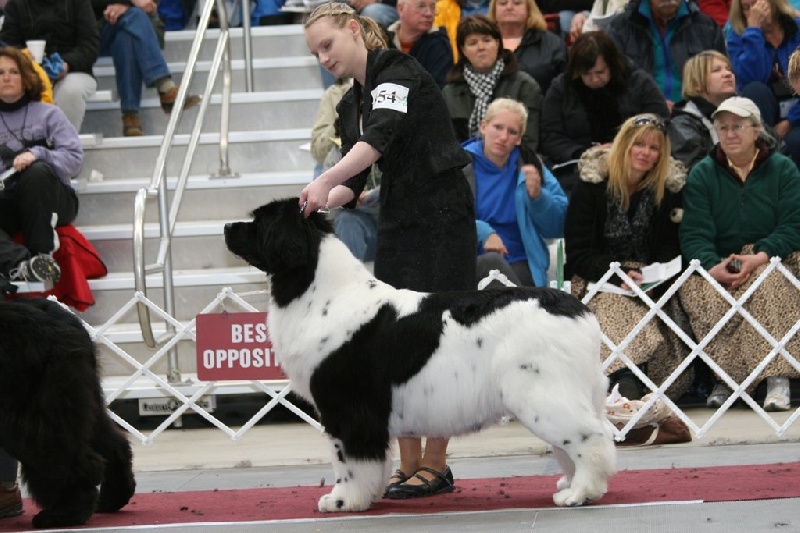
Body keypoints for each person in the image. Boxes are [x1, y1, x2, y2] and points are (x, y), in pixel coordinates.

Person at [302, 3, 476, 498]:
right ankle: (409, 463)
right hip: (399, 215)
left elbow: (376, 143)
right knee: (396, 341)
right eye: (315, 52)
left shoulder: (396, 71)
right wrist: (316, 199)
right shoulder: (346, 103)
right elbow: (354, 182)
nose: (323, 58)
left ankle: (437, 466)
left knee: (441, 338)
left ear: (354, 29)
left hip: (443, 213)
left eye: (328, 45)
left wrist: (326, 179)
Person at [678, 96, 800, 411]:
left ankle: (777, 380)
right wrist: (711, 265)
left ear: (757, 130)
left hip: (775, 255)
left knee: (768, 284)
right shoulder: (703, 173)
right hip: (721, 259)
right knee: (701, 293)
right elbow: (693, 233)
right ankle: (730, 379)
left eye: (738, 126)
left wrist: (761, 256)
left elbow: (793, 225)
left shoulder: (783, 169)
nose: (730, 134)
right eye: (723, 128)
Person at [564, 114, 691, 401]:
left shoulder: (669, 191)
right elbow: (579, 253)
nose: (646, 153)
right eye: (639, 144)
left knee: (664, 332)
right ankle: (626, 378)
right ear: (624, 145)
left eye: (654, 148)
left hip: (651, 282)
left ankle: (628, 383)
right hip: (599, 280)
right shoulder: (590, 186)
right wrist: (617, 273)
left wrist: (652, 277)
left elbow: (671, 249)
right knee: (614, 308)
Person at [539, 31, 668, 194]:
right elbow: (550, 136)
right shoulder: (561, 88)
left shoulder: (639, 83)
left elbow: (661, 125)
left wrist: (623, 148)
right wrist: (584, 152)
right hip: (578, 167)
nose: (594, 79)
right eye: (586, 74)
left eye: (600, 72)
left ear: (612, 65)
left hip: (634, 165)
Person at [464, 97, 567, 287]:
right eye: (498, 127)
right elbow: (442, 216)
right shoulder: (461, 165)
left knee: (513, 283)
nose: (503, 137)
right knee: (492, 263)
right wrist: (483, 232)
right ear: (483, 127)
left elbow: (559, 227)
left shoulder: (531, 166)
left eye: (512, 132)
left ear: (519, 139)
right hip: (470, 261)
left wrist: (538, 198)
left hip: (520, 261)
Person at [0, 47, 82, 286]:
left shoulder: (50, 115)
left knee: (35, 172)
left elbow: (74, 160)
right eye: (1, 72)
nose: (6, 77)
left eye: (13, 71)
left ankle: (42, 253)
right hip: (8, 200)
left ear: (26, 78)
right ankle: (24, 265)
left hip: (52, 197)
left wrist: (38, 154)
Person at [92, 0, 202, 136]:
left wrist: (131, 6)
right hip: (93, 29)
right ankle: (164, 86)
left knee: (125, 38)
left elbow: (148, 4)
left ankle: (131, 117)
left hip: (137, 25)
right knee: (134, 16)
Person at [442, 15, 542, 152]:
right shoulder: (449, 93)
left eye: (487, 40)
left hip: (513, 163)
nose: (481, 47)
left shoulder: (524, 85)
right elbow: (446, 144)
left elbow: (529, 141)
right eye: (472, 43)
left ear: (498, 44)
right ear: (463, 50)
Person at [604, 0, 726, 110]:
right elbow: (613, 83)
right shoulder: (620, 28)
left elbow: (722, 82)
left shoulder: (706, 27)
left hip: (698, 117)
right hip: (640, 118)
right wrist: (654, 105)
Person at [0, 0, 100, 132]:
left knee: (70, 90)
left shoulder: (79, 2)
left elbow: (90, 44)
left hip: (74, 71)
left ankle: (64, 146)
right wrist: (23, 57)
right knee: (11, 85)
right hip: (28, 72)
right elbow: (8, 44)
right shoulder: (16, 4)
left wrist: (67, 63)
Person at [310, 76, 381, 261]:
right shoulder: (338, 149)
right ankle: (348, 285)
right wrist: (343, 197)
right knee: (346, 220)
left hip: (397, 221)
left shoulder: (394, 142)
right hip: (364, 224)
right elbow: (325, 206)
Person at [726, 0, 800, 166]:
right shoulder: (738, 38)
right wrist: (753, 31)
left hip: (797, 111)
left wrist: (790, 121)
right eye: (746, 8)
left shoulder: (797, 28)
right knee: (754, 89)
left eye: (758, 4)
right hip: (765, 113)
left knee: (795, 141)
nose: (754, 11)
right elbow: (750, 80)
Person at [668, 50, 738, 169]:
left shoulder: (746, 112)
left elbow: (774, 150)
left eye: (728, 69)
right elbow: (698, 171)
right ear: (696, 85)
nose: (727, 74)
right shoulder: (682, 123)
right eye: (716, 70)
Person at [489, 0, 567, 95]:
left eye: (517, 3)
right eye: (503, 3)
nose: (509, 7)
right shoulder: (480, 42)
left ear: (529, 9)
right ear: (494, 10)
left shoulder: (553, 43)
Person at [386, 0, 453, 88]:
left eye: (433, 7)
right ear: (401, 9)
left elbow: (437, 92)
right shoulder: (383, 40)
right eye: (421, 6)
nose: (429, 13)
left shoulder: (439, 44)